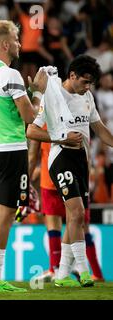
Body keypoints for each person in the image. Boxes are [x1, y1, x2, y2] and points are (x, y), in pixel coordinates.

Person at [0, 20, 48, 293]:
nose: (19, 44)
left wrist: (26, 95)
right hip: (11, 151)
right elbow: (30, 119)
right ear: (5, 44)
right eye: (17, 39)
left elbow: (7, 109)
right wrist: (37, 90)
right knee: (5, 217)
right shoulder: (11, 74)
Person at [26, 55, 112, 288]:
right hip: (60, 158)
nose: (87, 87)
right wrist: (60, 137)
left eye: (90, 83)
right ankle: (83, 271)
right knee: (76, 212)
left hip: (81, 161)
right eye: (84, 82)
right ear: (72, 75)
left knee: (77, 218)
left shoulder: (87, 97)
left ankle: (62, 275)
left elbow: (99, 128)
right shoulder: (52, 95)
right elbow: (31, 132)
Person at [28, 138, 104, 283]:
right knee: (79, 223)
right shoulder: (77, 117)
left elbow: (32, 156)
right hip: (72, 179)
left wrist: (24, 184)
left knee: (57, 225)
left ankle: (57, 269)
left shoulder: (41, 120)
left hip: (52, 181)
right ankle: (90, 272)